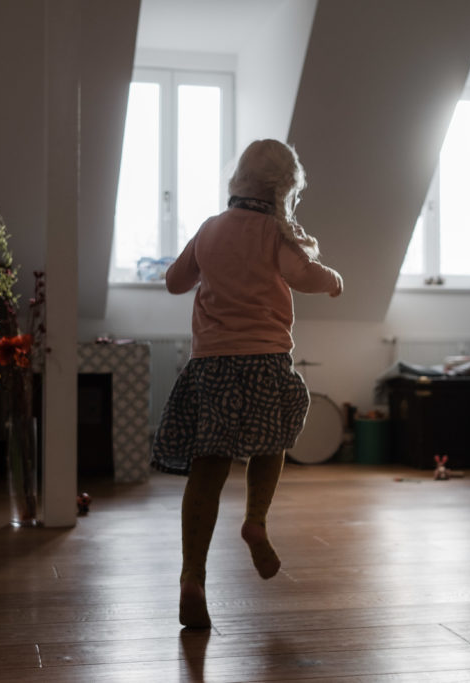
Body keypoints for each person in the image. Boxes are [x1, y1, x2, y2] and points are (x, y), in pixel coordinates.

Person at [151, 139, 343, 628]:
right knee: (271, 441)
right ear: (283, 189)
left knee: (208, 468)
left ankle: (192, 574)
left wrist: (202, 261)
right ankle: (255, 521)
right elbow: (305, 277)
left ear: (237, 179)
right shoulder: (274, 234)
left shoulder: (211, 229)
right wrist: (334, 279)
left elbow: (175, 281)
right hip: (264, 361)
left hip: (212, 365)